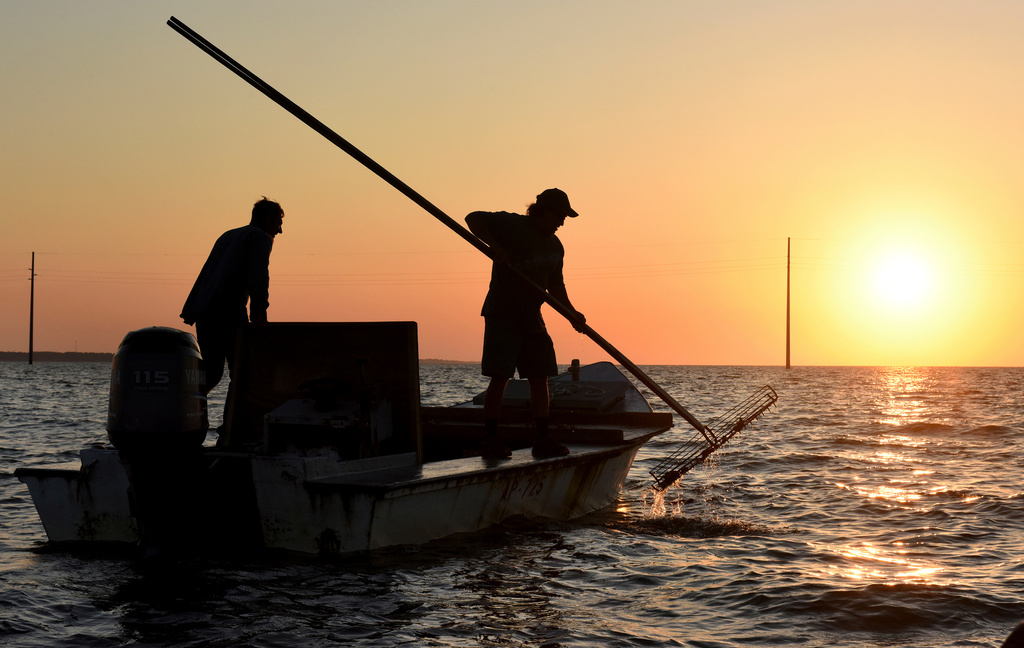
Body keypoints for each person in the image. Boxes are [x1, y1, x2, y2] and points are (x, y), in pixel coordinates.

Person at [465, 188, 586, 460]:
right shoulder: (513, 225)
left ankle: (543, 440)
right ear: (542, 211)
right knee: (500, 377)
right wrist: (495, 247)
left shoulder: (555, 246)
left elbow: (556, 287)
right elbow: (472, 218)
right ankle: (491, 439)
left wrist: (572, 314)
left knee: (540, 377)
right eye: (560, 216)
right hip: (503, 313)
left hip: (532, 317)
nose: (562, 222)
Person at [180, 197, 284, 395]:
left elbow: (207, 274)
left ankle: (183, 409)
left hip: (205, 312)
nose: (279, 231)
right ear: (267, 219)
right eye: (278, 223)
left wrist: (192, 310)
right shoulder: (260, 238)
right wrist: (259, 319)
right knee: (243, 372)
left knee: (211, 371)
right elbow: (259, 278)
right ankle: (234, 424)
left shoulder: (228, 236)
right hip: (228, 311)